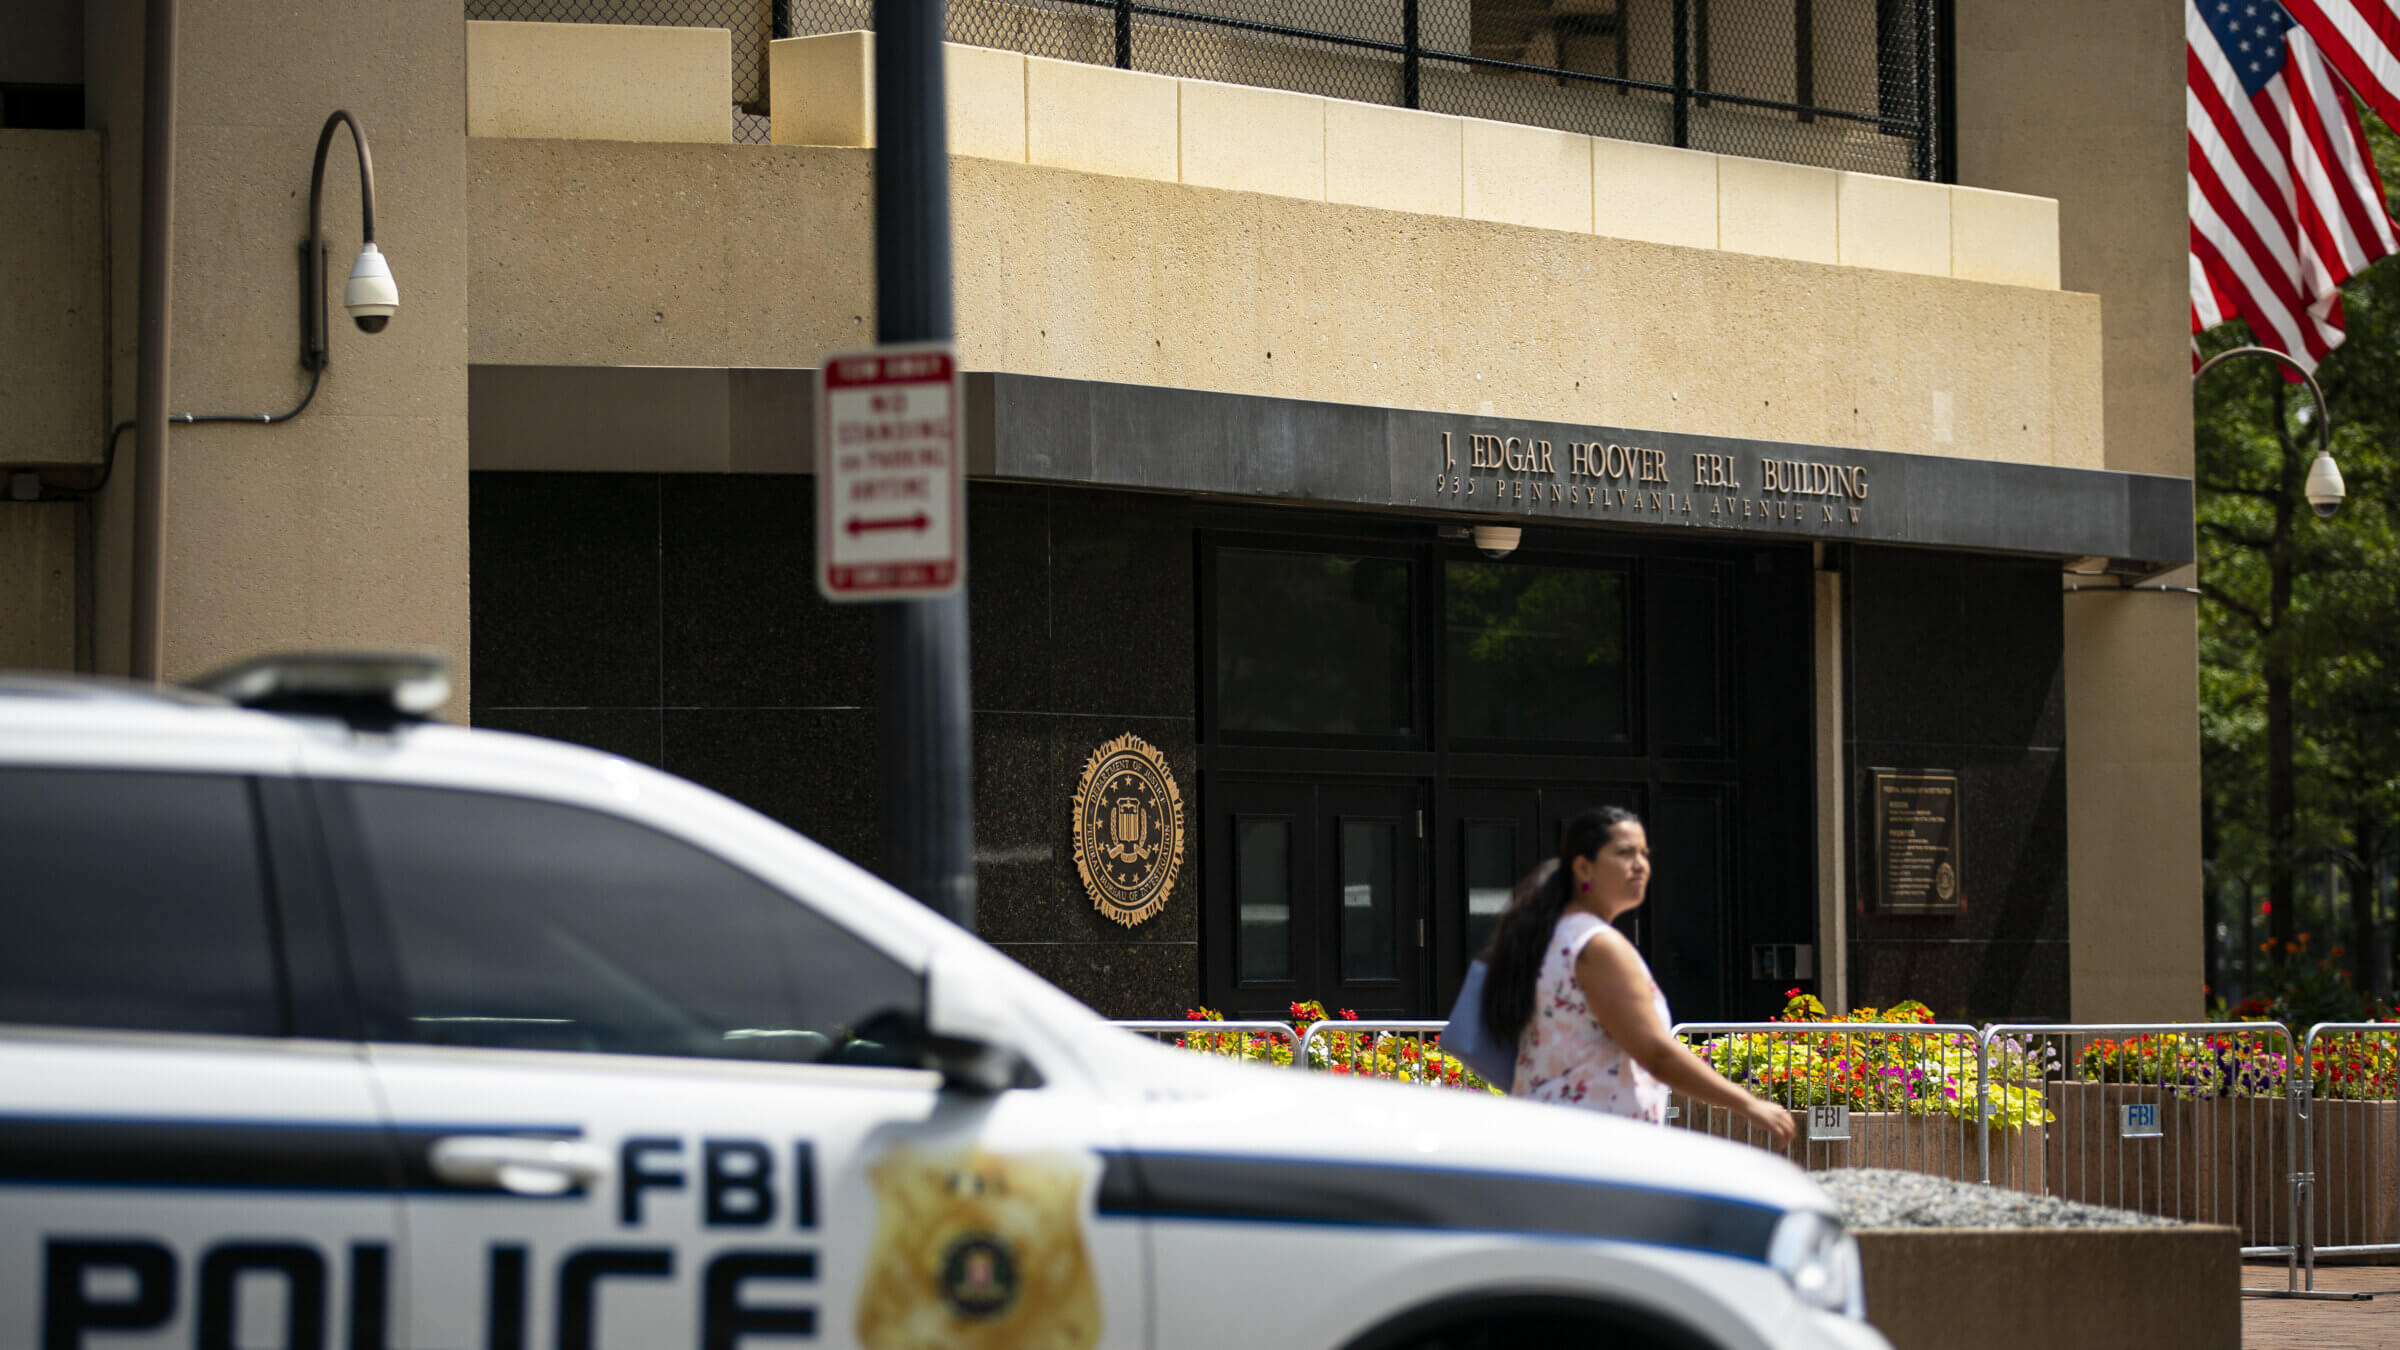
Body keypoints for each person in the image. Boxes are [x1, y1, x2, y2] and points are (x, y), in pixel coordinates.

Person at [1481, 806, 1795, 1144]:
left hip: (1557, 1138)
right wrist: (1748, 1104)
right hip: (1595, 1146)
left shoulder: (1552, 935)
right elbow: (1656, 1054)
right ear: (1583, 867)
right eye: (1625, 852)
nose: (1640, 864)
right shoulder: (1598, 945)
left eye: (1644, 853)